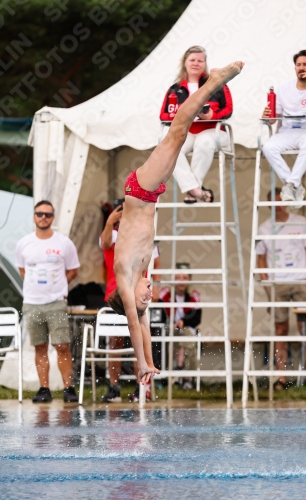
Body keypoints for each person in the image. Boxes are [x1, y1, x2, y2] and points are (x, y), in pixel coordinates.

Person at [108, 61, 244, 383]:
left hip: (140, 191)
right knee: (179, 136)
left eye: (144, 296)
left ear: (125, 294)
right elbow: (142, 322)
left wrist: (140, 362)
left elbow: (132, 321)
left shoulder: (124, 278)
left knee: (178, 131)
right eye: (148, 298)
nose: (150, 293)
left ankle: (213, 83)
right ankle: (209, 87)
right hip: (150, 195)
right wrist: (153, 363)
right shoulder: (140, 276)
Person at [16, 200, 80, 403]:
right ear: (34, 216)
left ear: (53, 218)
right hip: (32, 302)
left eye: (48, 215)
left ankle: (68, 388)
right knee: (39, 346)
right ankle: (44, 388)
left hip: (55, 302)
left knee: (62, 345)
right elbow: (22, 269)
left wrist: (59, 285)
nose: (43, 217)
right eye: (39, 214)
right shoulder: (24, 243)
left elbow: (73, 269)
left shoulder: (63, 242)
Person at [256, 188, 306, 390]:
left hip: (300, 280)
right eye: (273, 203)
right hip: (277, 283)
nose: (278, 206)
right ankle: (281, 378)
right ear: (268, 206)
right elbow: (260, 258)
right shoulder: (264, 228)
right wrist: (266, 281)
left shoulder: (300, 221)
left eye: (281, 201)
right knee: (280, 329)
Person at [100, 202, 161, 402]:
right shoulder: (137, 278)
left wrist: (110, 221)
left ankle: (139, 381)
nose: (150, 295)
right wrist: (147, 363)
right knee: (122, 340)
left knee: (133, 331)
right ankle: (120, 384)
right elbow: (141, 327)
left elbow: (136, 325)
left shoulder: (129, 281)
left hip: (125, 289)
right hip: (125, 290)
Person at [160, 46, 233, 204]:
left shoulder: (217, 84)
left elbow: (228, 109)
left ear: (205, 63)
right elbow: (163, 115)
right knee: (169, 148)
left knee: (204, 142)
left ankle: (192, 190)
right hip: (187, 132)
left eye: (200, 60)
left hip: (213, 130)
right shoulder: (175, 89)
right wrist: (180, 115)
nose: (196, 63)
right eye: (192, 60)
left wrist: (212, 115)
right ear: (184, 63)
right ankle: (196, 191)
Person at [262, 49, 306, 208]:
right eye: (298, 65)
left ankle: (290, 185)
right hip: (288, 131)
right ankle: (294, 185)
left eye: (305, 65)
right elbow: (273, 120)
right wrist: (266, 114)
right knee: (268, 147)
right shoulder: (284, 89)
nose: (301, 68)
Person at [159, 267, 202, 390]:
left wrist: (183, 321)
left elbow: (197, 318)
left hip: (188, 330)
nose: (181, 281)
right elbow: (159, 314)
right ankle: (185, 378)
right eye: (178, 278)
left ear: (189, 280)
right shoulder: (165, 295)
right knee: (178, 335)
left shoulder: (194, 296)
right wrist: (172, 323)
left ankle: (179, 369)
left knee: (185, 336)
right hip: (170, 329)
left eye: (184, 278)